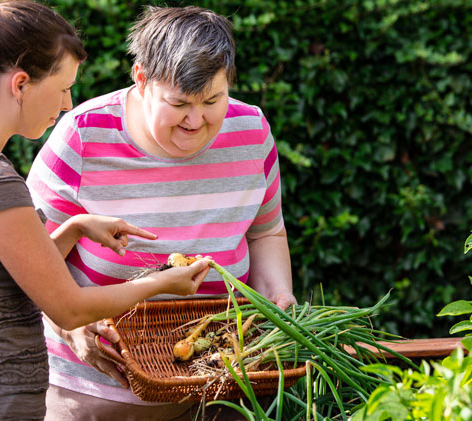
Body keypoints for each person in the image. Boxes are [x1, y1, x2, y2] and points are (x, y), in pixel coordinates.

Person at [0, 1, 211, 420]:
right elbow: (68, 307)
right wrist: (162, 284)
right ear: (21, 83)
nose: (67, 104)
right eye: (63, 87)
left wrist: (77, 226)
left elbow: (4, 274)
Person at [25, 5, 296, 420]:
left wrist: (279, 296)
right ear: (141, 79)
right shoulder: (84, 135)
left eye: (212, 100)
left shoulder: (251, 131)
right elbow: (27, 261)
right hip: (98, 393)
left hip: (221, 387)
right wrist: (69, 323)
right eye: (180, 103)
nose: (196, 120)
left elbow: (265, 233)